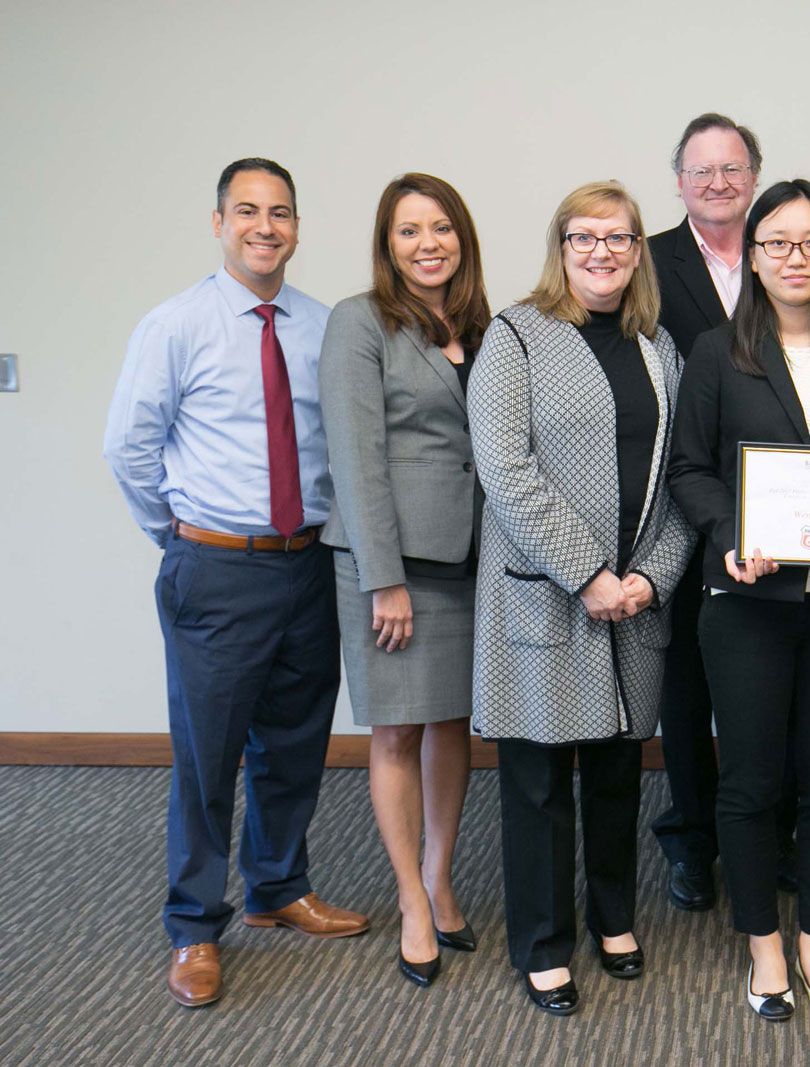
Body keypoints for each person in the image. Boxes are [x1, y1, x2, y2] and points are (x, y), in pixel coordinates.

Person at [104, 158, 369, 1009]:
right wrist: (185, 539)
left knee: (293, 741)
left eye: (281, 212)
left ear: (297, 226)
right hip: (216, 565)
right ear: (217, 222)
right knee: (207, 756)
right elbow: (129, 449)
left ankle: (277, 887)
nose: (266, 226)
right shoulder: (176, 325)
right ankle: (192, 926)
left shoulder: (323, 325)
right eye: (247, 211)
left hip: (308, 563)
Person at [669, 179, 810, 1021]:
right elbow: (689, 470)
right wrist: (730, 534)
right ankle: (765, 945)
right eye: (777, 243)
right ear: (753, 256)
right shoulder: (713, 350)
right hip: (746, 603)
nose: (794, 258)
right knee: (753, 781)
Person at [469, 181, 695, 1016]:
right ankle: (542, 943)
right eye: (583, 237)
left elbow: (677, 479)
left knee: (613, 771)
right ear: (560, 248)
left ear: (639, 251)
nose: (601, 252)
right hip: (545, 596)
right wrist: (588, 573)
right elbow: (505, 473)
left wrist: (651, 576)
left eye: (619, 238)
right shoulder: (517, 337)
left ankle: (612, 918)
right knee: (536, 783)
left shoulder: (658, 346)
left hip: (632, 604)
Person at [318, 173, 491, 987]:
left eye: (442, 227)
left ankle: (441, 874)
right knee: (395, 733)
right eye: (409, 231)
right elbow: (355, 457)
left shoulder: (485, 326)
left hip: (467, 559)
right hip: (393, 567)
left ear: (463, 236)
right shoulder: (361, 322)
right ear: (387, 245)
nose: (429, 244)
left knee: (452, 727)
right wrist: (382, 578)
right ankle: (410, 903)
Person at [646, 112, 765, 911]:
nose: (717, 183)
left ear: (754, 175)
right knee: (686, 687)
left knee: (775, 680)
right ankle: (691, 839)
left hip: (788, 506)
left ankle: (773, 833)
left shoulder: (791, 250)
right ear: (679, 180)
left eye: (732, 168)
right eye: (702, 170)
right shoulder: (647, 262)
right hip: (684, 502)